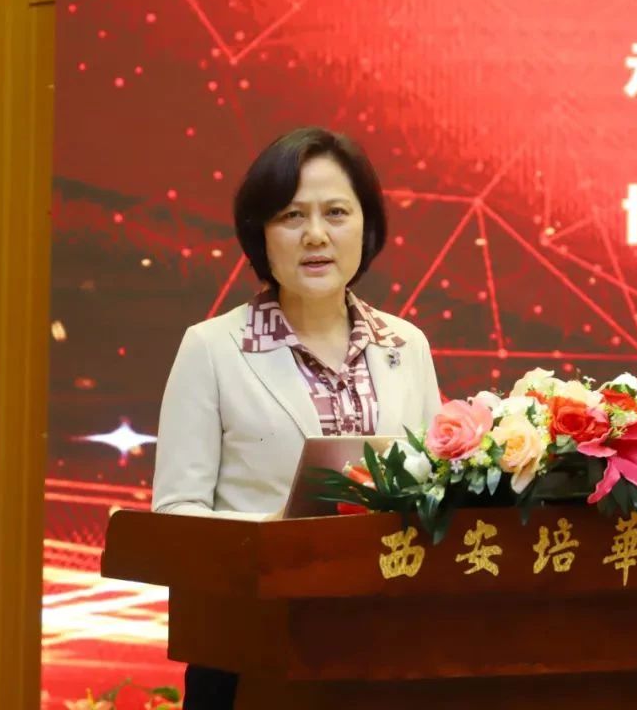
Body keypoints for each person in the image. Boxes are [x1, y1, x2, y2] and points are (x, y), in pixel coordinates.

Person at [150, 127, 443, 709]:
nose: (315, 235)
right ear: (260, 233)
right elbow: (176, 514)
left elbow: (437, 488)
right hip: (248, 653)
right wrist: (276, 539)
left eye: (336, 212)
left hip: (385, 650)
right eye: (291, 215)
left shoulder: (406, 345)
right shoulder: (211, 348)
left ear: (367, 227)